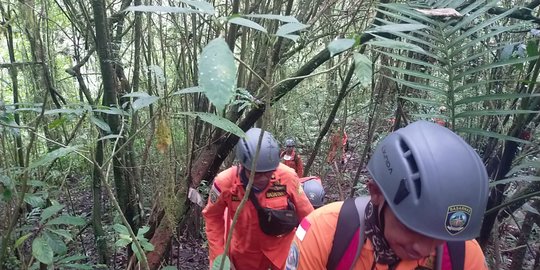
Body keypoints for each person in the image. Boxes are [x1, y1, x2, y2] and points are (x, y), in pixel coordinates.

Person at [286, 121, 489, 270]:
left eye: (437, 237)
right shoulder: (326, 233)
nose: (424, 249)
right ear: (376, 192)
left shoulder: (462, 255)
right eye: (412, 227)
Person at [202, 128, 314, 270]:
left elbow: (308, 218)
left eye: (268, 173)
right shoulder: (225, 182)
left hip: (283, 248)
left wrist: (308, 251)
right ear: (243, 166)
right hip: (245, 252)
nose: (263, 178)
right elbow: (212, 217)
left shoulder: (287, 177)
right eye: (256, 173)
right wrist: (219, 258)